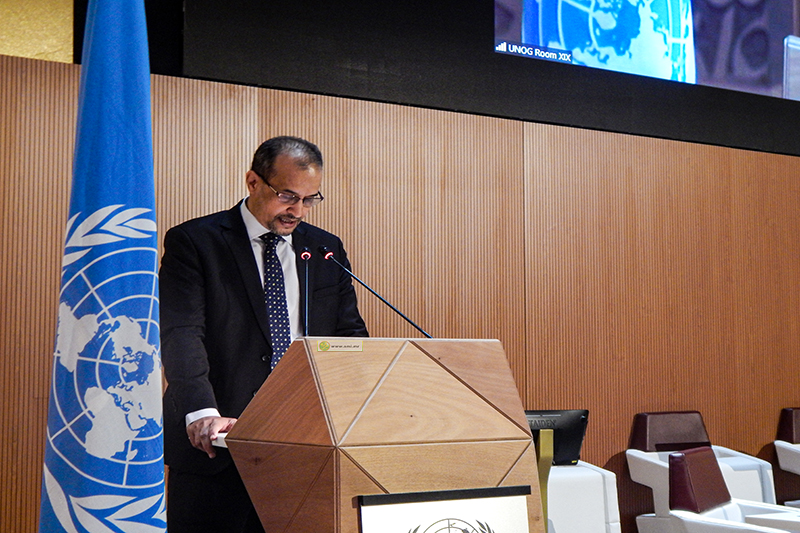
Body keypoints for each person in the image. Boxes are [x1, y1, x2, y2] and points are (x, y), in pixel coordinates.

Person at [160, 136, 368, 533]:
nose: (297, 211)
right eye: (287, 196)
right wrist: (202, 412)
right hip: (217, 445)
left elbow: (350, 337)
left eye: (309, 199)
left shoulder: (324, 249)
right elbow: (182, 334)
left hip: (307, 448)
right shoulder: (196, 242)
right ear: (253, 182)